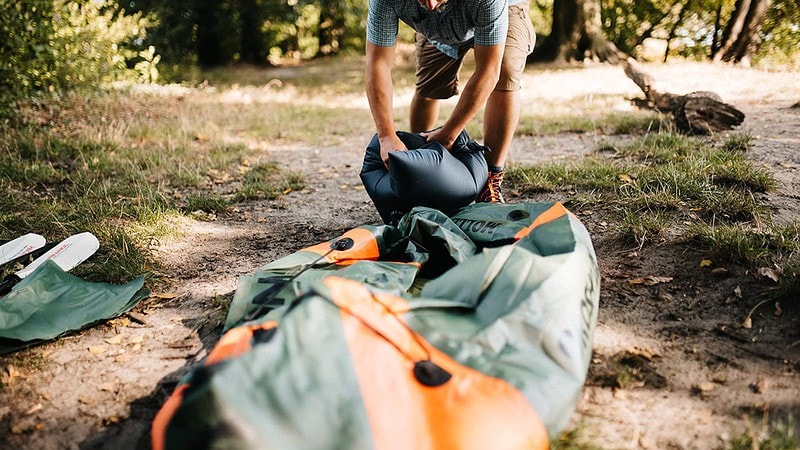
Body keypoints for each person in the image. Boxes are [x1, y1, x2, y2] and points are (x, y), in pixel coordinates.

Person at [365, 0, 535, 203]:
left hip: (505, 10)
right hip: (436, 30)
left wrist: (449, 134)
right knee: (429, 89)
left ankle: (491, 178)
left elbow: (489, 71)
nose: (430, 4)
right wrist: (386, 136)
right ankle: (418, 167)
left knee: (505, 72)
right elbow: (377, 64)